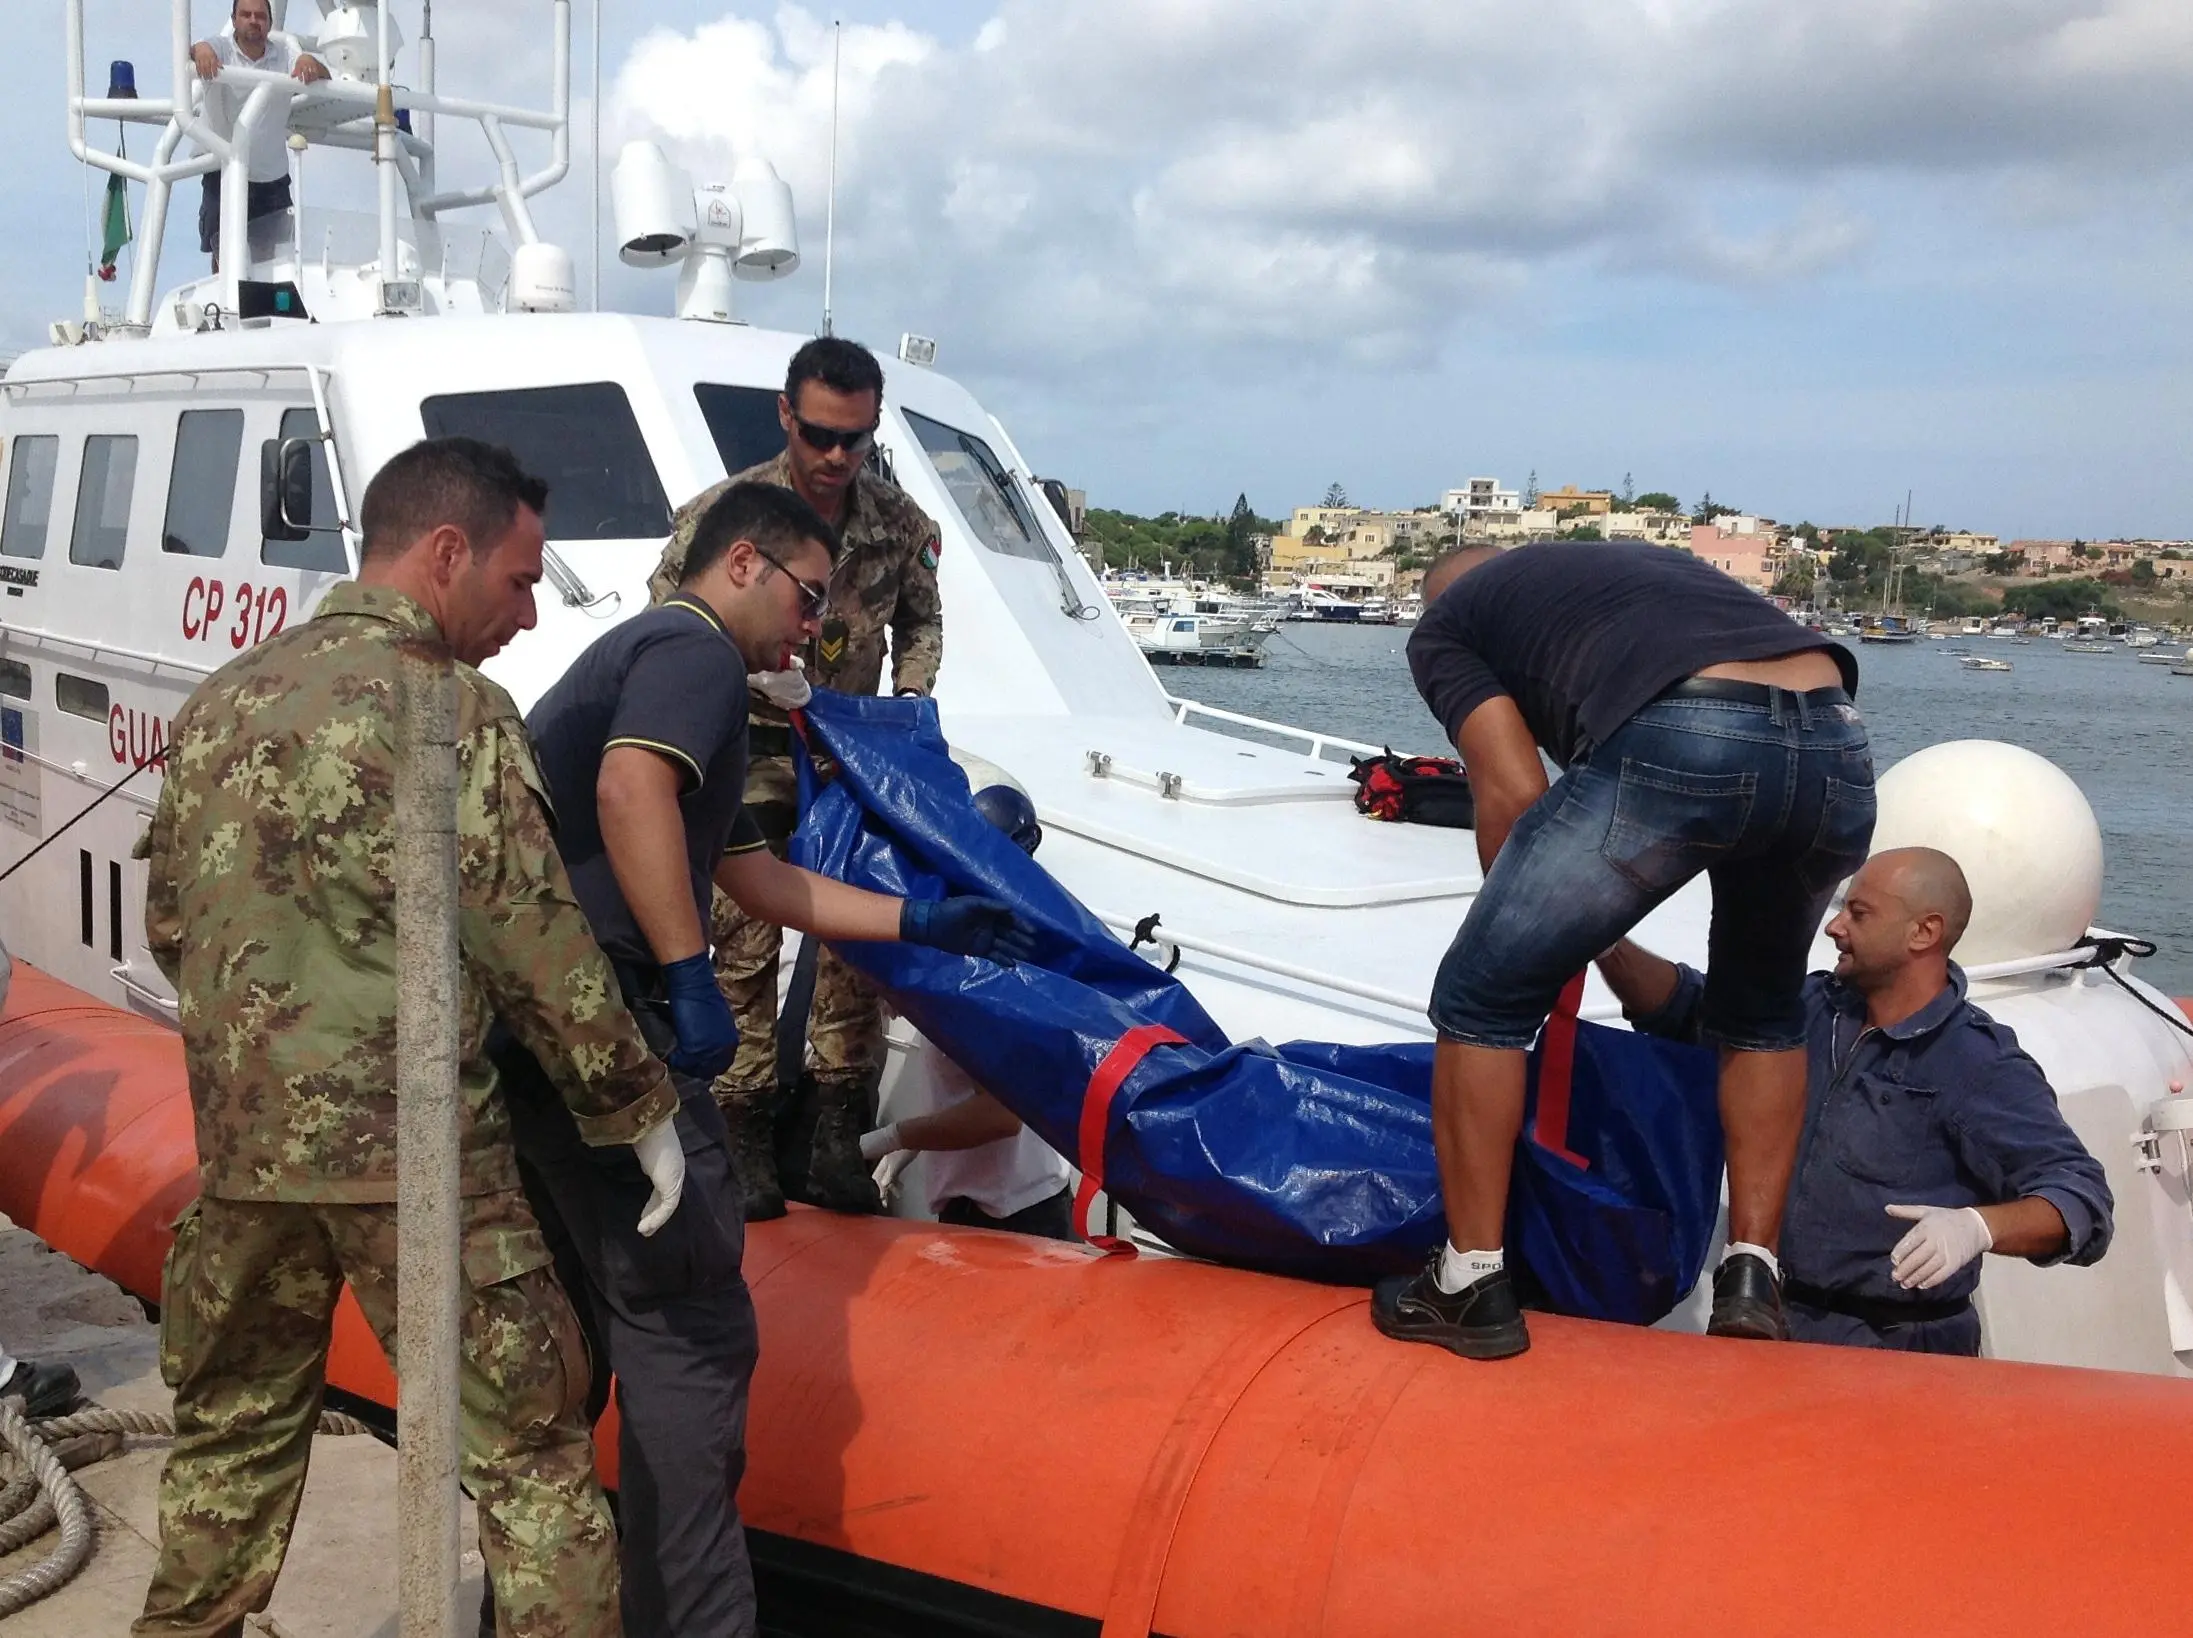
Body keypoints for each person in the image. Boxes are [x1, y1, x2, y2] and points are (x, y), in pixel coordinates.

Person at [134, 438, 686, 1638]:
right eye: (519, 580)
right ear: (447, 553)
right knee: (532, 1461)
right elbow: (534, 943)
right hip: (422, 1162)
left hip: (246, 1159)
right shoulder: (455, 712)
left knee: (230, 1441)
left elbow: (173, 923)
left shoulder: (223, 699)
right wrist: (636, 1110)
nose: (528, 615)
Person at [499, 479, 1029, 1638]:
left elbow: (753, 871)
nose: (817, 633)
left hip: (535, 1044)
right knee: (694, 1336)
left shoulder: (656, 663)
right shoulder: (690, 655)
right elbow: (631, 787)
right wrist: (690, 978)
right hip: (612, 1033)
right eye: (806, 600)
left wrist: (918, 923)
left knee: (589, 1327)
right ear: (743, 565)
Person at [1374, 541, 1876, 1361]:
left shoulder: (1447, 626)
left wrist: (1521, 940)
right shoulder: (1615, 571)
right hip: (1836, 744)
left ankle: (1467, 1284)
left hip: (1692, 727)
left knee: (1479, 1000)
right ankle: (1752, 1275)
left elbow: (1513, 792)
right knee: (1759, 1014)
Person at [1596, 847, 2113, 1355]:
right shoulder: (1809, 1010)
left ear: (1924, 932)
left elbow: (2081, 1199)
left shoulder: (1977, 1063)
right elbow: (1689, 1011)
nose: (1834, 927)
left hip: (1900, 1354)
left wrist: (1978, 1227)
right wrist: (1603, 943)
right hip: (1773, 1328)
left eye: (1858, 913)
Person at [647, 335, 945, 1219]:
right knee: (743, 937)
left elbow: (922, 624)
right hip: (748, 742)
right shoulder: (728, 514)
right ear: (786, 416)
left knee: (860, 944)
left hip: (848, 751)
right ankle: (738, 1134)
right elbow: (670, 612)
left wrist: (913, 704)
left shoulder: (900, 528)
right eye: (819, 434)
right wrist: (733, 677)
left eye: (853, 439)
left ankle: (832, 1133)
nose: (835, 456)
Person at [861, 781, 1076, 1241]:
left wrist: (892, 1138)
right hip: (996, 1202)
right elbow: (960, 1090)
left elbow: (997, 1116)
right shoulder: (991, 953)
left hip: (1012, 1216)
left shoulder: (992, 972)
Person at [192, 1, 330, 268]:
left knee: (271, 258)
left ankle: (263, 307)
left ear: (268, 22)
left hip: (271, 176)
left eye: (260, 16)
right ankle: (225, 305)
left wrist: (308, 61)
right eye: (246, 15)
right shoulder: (220, 48)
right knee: (223, 251)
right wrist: (201, 51)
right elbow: (197, 49)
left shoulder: (284, 54)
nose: (253, 21)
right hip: (224, 167)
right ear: (233, 19)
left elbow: (324, 74)